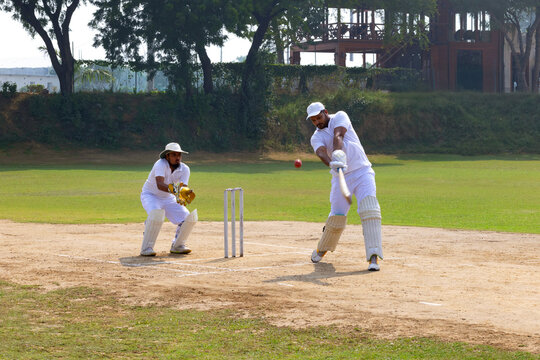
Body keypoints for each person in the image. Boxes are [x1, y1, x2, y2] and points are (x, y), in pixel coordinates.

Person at [306, 102, 383, 271]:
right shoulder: (315, 137)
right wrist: (332, 163)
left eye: (319, 117)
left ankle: (373, 258)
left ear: (325, 112)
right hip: (341, 176)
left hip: (362, 171)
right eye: (313, 120)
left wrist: (338, 154)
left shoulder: (340, 116)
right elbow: (320, 152)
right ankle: (322, 248)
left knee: (370, 210)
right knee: (337, 217)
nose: (317, 122)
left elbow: (338, 135)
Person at [139, 142, 197, 256]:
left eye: (179, 155)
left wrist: (182, 197)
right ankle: (146, 248)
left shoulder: (185, 169)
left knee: (187, 218)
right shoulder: (160, 164)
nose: (177, 158)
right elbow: (160, 184)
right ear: (167, 156)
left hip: (168, 198)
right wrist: (177, 192)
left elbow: (183, 189)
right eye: (174, 155)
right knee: (156, 216)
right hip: (151, 195)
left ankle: (178, 245)